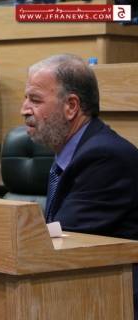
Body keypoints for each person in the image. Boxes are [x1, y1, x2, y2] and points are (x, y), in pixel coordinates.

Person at [21, 54, 138, 317]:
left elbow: (62, 238)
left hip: (115, 302)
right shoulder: (73, 152)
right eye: (26, 98)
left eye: (35, 100)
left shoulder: (105, 158)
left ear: (71, 106)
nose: (24, 109)